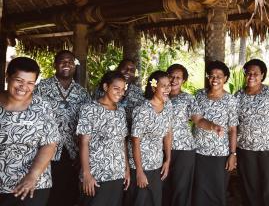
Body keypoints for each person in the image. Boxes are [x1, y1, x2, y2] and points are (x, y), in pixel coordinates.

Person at [34, 50, 91, 206]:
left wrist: (82, 153)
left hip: (73, 151)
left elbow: (87, 124)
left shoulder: (82, 93)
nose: (66, 64)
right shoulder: (41, 88)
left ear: (74, 66)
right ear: (55, 64)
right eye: (62, 61)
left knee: (70, 192)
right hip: (46, 149)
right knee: (48, 193)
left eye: (70, 61)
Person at [0, 57, 59, 206]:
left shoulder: (42, 106)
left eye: (30, 83)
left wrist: (32, 176)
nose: (23, 87)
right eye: (19, 80)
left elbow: (50, 144)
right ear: (8, 77)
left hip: (33, 185)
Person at [163, 64, 223, 206]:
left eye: (179, 77)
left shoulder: (188, 98)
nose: (174, 80)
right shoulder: (158, 96)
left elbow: (198, 120)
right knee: (163, 186)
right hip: (159, 148)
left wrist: (213, 126)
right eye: (171, 76)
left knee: (181, 188)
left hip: (183, 149)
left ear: (183, 81)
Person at [235, 59, 269, 206]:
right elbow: (233, 126)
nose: (251, 76)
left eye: (255, 73)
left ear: (262, 75)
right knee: (250, 190)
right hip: (245, 151)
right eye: (248, 73)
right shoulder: (238, 95)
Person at [77, 71, 130, 206]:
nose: (120, 92)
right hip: (96, 173)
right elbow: (84, 143)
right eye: (116, 88)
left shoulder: (120, 111)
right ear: (106, 87)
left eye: (123, 89)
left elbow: (122, 142)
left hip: (117, 173)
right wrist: (86, 174)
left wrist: (126, 169)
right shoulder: (89, 109)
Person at [192, 60, 238, 206]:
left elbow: (232, 129)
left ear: (225, 78)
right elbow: (195, 119)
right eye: (212, 75)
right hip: (198, 150)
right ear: (208, 77)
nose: (215, 79)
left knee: (217, 190)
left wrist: (232, 154)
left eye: (219, 76)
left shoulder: (231, 100)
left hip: (220, 153)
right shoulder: (199, 95)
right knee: (199, 189)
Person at [127, 71, 173, 206]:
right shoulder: (142, 110)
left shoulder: (168, 105)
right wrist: (139, 171)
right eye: (163, 86)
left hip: (157, 163)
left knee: (154, 200)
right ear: (154, 88)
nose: (167, 89)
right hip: (140, 165)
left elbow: (168, 133)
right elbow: (135, 142)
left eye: (168, 85)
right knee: (140, 201)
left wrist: (167, 160)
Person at [94, 59, 144, 127]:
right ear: (118, 69)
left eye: (132, 71)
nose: (128, 72)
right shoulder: (102, 89)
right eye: (125, 68)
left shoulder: (139, 93)